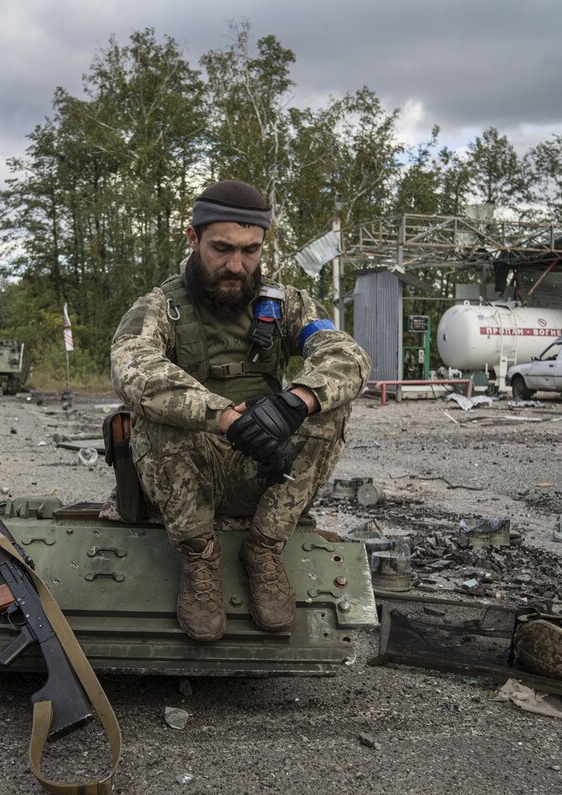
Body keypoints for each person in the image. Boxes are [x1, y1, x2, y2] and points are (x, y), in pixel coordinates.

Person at [110, 180, 371, 642]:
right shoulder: (159, 308)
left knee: (331, 403)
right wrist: (227, 419)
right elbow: (134, 368)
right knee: (155, 408)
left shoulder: (285, 305)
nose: (236, 265)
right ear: (193, 239)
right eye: (222, 248)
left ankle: (265, 548)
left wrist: (297, 402)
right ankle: (200, 556)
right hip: (189, 476)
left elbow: (346, 355)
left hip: (266, 474)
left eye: (250, 251)